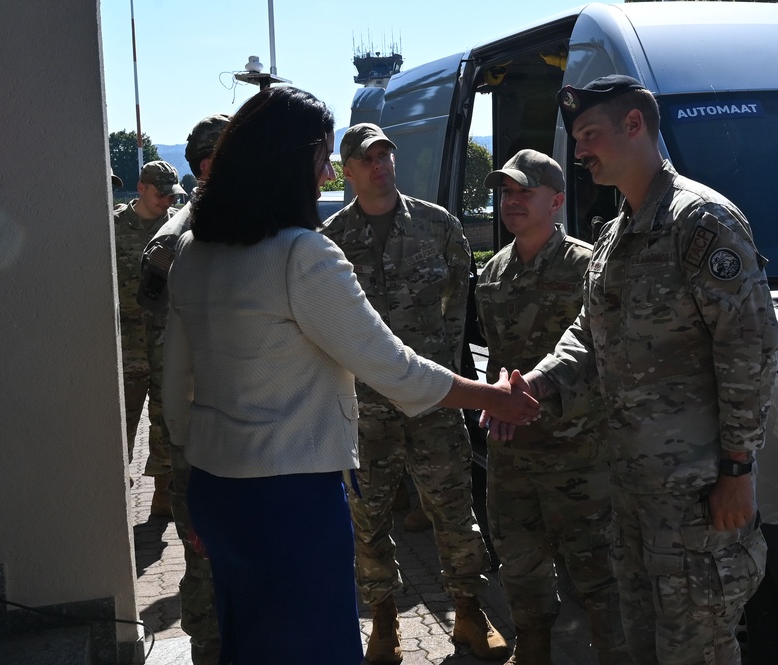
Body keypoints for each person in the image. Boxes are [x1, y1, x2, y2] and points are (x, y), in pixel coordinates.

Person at [162, 85, 539, 665]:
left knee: (250, 642)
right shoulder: (303, 254)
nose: (323, 179)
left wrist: (196, 477)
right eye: (320, 162)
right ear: (293, 163)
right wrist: (494, 397)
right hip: (290, 497)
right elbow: (392, 366)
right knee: (316, 645)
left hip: (216, 490)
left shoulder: (192, 250)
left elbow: (175, 390)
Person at [487, 75, 778, 665]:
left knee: (698, 648)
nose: (579, 151)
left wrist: (739, 469)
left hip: (697, 499)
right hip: (631, 496)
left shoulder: (700, 222)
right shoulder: (616, 235)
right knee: (640, 647)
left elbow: (749, 348)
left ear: (634, 125)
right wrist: (534, 383)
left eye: (590, 134)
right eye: (576, 138)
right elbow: (588, 338)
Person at [322, 123, 509, 663]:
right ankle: (384, 623)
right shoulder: (330, 242)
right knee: (368, 518)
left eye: (386, 155)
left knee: (453, 510)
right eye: (367, 159)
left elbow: (457, 305)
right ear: (347, 171)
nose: (381, 165)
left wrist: (444, 366)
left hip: (432, 403)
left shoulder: (438, 226)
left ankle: (470, 615)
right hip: (364, 408)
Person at [476, 149, 628, 665]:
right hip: (513, 451)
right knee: (519, 561)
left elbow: (602, 354)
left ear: (557, 201)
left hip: (578, 451)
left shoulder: (589, 266)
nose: (511, 202)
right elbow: (498, 356)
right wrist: (495, 394)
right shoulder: (493, 273)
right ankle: (533, 648)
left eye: (524, 192)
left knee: (598, 573)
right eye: (505, 193)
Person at [138, 113, 230, 665]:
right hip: (202, 430)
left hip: (240, 427)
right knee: (206, 559)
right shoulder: (173, 245)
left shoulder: (245, 225)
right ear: (208, 166)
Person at [112, 159, 184, 516]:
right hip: (125, 346)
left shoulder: (177, 229)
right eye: (161, 195)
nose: (167, 202)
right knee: (120, 421)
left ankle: (163, 499)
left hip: (166, 343)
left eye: (172, 196)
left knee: (165, 421)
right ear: (141, 189)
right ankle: (115, 493)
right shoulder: (112, 226)